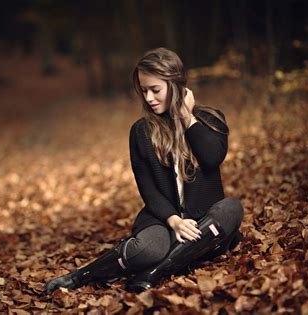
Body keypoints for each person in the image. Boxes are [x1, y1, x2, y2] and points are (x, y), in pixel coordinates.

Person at [43, 47, 244, 295]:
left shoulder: (210, 119)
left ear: (176, 85)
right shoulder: (141, 131)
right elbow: (148, 188)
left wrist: (186, 118)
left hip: (205, 224)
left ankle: (153, 273)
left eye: (155, 90)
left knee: (231, 208)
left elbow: (213, 158)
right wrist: (175, 222)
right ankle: (78, 277)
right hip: (165, 220)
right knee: (148, 248)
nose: (148, 98)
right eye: (144, 90)